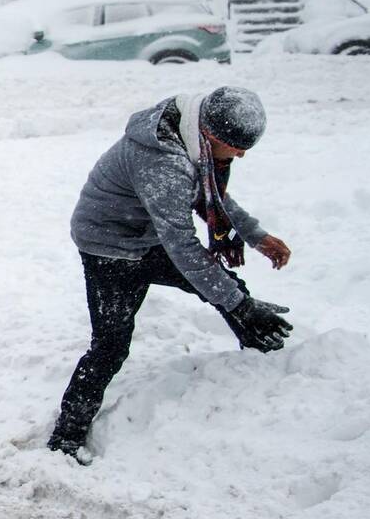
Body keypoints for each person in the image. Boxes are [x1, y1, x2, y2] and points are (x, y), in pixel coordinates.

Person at [48, 86, 293, 465]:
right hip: (108, 247)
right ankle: (66, 437)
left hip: (145, 235)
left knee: (225, 286)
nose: (241, 155)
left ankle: (263, 360)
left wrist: (256, 236)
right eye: (236, 146)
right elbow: (182, 248)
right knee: (111, 346)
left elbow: (210, 196)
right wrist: (242, 306)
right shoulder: (164, 162)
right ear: (211, 135)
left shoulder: (188, 134)